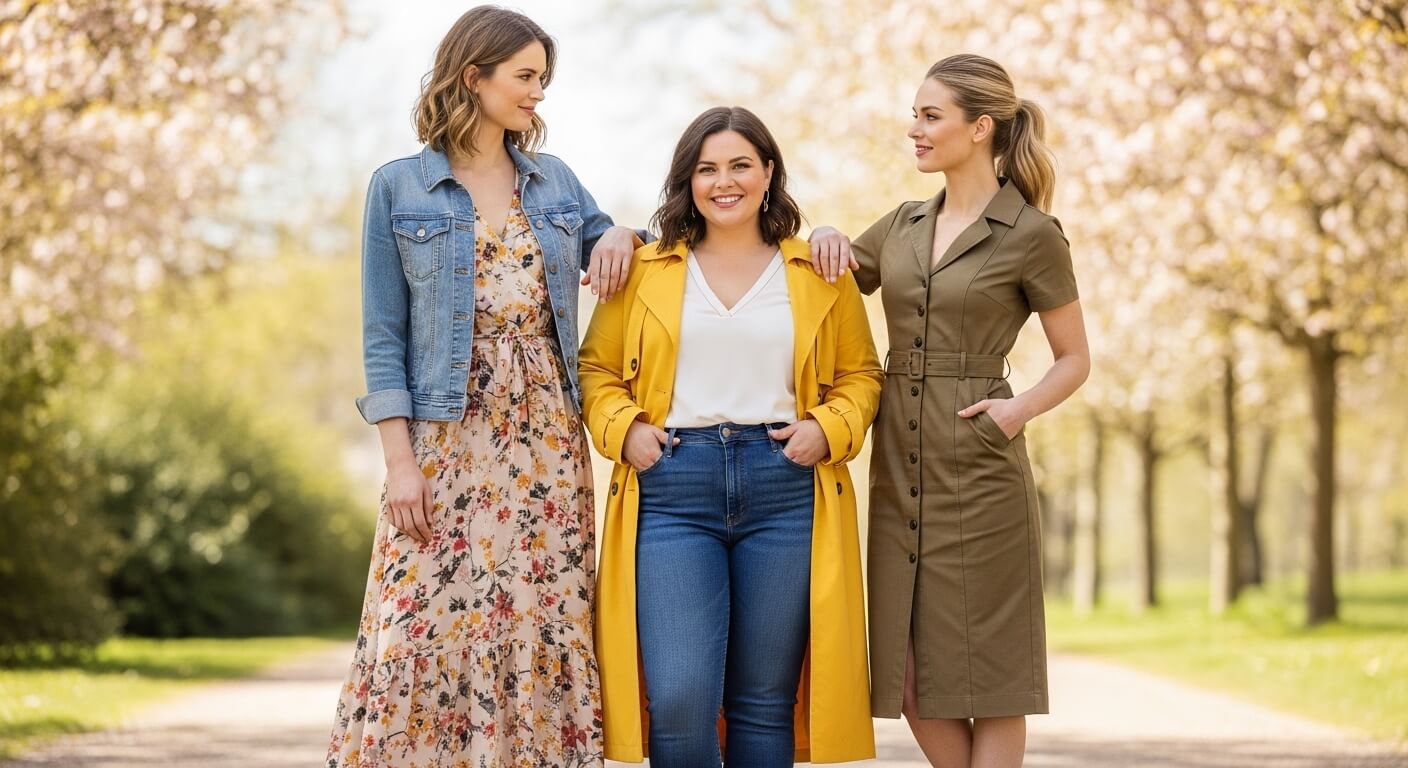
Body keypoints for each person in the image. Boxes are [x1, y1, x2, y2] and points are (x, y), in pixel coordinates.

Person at [326, 7, 643, 766]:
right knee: (422, 616)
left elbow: (613, 244)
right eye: (525, 77)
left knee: (540, 615)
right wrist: (400, 463)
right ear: (475, 76)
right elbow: (383, 337)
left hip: (544, 443)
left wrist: (625, 233)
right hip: (444, 436)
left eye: (543, 78)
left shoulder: (555, 179)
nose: (539, 94)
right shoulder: (399, 188)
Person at [579, 106, 883, 766]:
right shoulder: (642, 268)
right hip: (672, 487)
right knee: (682, 696)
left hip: (786, 485)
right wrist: (623, 430)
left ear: (769, 172)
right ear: (687, 181)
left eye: (741, 165)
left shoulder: (818, 271)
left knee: (763, 700)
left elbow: (862, 374)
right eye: (707, 168)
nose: (725, 181)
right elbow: (596, 369)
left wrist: (828, 430)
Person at [810, 54, 1091, 768]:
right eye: (916, 114)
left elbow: (1073, 359)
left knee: (992, 683)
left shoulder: (1032, 234)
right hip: (898, 465)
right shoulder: (901, 225)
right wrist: (824, 236)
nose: (915, 129)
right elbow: (829, 283)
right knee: (905, 677)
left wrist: (1015, 412)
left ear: (981, 127)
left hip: (983, 468)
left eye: (930, 116)